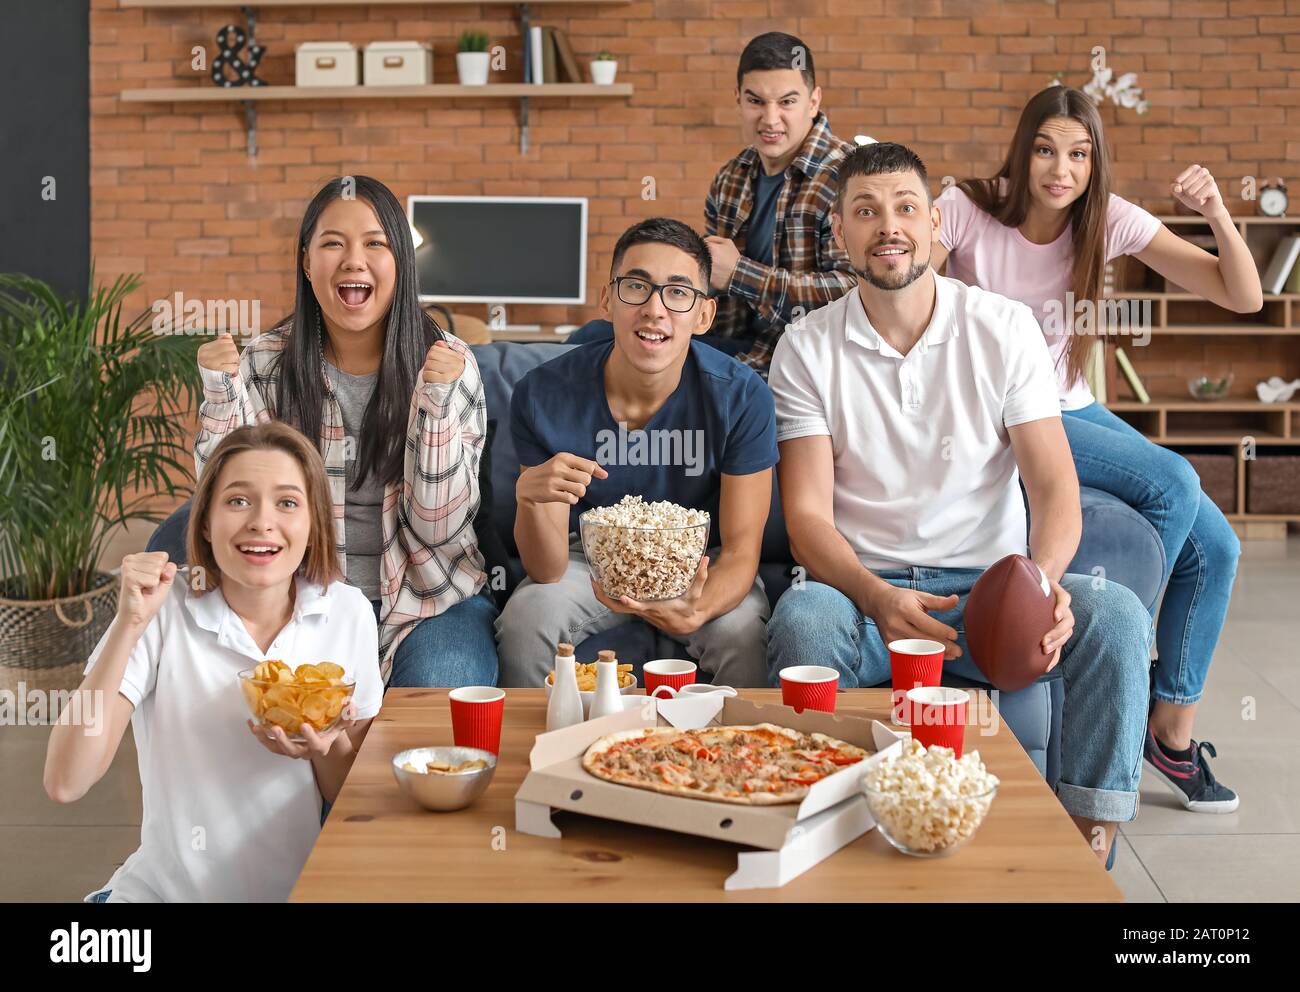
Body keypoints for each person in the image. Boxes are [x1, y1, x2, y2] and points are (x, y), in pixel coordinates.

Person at [765, 141, 1153, 866]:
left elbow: (1053, 487)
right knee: (803, 616)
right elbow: (809, 517)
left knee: (1118, 617)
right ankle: (824, 831)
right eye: (866, 211)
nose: (890, 225)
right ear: (840, 236)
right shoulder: (805, 348)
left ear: (936, 228)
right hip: (867, 600)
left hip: (992, 591)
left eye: (907, 207)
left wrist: (1038, 586)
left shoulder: (1004, 328)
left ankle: (1084, 849)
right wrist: (876, 596)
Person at [933, 85, 1259, 812]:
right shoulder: (967, 207)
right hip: (1007, 412)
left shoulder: (1103, 216)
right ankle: (1122, 664)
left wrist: (1215, 213)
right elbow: (909, 277)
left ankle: (1169, 736)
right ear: (1024, 151)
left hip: (1073, 404)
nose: (1061, 168)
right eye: (1046, 149)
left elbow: (1242, 296)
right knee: (1174, 477)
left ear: (1093, 162)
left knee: (1221, 548)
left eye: (1079, 154)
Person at [45, 423, 383, 902]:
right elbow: (65, 781)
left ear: (313, 525)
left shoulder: (347, 613)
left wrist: (324, 747)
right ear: (204, 521)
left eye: (287, 503)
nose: (262, 522)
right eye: (238, 501)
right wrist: (128, 624)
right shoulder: (161, 608)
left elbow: (350, 795)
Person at [194, 175, 498, 688]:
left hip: (428, 596)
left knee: (439, 699)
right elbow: (224, 499)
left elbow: (438, 527)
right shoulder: (265, 363)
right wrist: (222, 395)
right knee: (270, 709)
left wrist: (436, 405)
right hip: (299, 593)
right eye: (333, 243)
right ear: (307, 262)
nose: (353, 260)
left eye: (375, 244)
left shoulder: (447, 363)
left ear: (400, 262)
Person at [496, 218, 777, 688]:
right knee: (527, 619)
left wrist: (699, 609)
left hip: (700, 563)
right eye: (636, 287)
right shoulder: (543, 392)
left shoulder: (742, 397)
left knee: (742, 632)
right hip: (585, 561)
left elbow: (742, 550)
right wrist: (530, 499)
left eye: (678, 293)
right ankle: (533, 757)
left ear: (704, 315)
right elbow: (546, 571)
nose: (654, 309)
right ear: (608, 299)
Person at [565, 32, 856, 370]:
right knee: (592, 338)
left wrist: (740, 273)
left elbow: (853, 291)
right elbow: (713, 284)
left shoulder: (847, 174)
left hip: (795, 357)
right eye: (756, 101)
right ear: (738, 99)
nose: (770, 119)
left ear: (814, 101)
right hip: (725, 341)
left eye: (787, 102)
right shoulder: (731, 178)